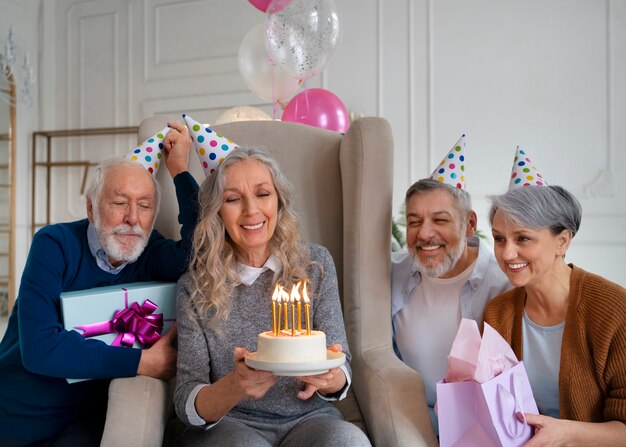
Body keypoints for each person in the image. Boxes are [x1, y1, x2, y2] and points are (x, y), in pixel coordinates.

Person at [0, 121, 199, 446]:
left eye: (145, 206)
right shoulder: (54, 244)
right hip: (17, 413)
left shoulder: (148, 251)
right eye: (120, 203)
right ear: (92, 209)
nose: (133, 218)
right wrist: (142, 362)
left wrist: (180, 171)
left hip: (84, 421)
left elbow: (199, 251)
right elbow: (40, 349)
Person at [174, 146, 370, 446]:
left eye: (262, 193)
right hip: (230, 425)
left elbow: (341, 362)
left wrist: (332, 379)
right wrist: (235, 386)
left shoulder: (315, 265)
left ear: (279, 201)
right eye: (233, 199)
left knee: (348, 442)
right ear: (217, 212)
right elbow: (187, 399)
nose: (251, 210)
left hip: (311, 421)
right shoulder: (195, 287)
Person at [483, 147, 626, 446]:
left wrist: (568, 433)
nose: (507, 254)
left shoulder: (615, 310)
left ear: (562, 241)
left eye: (523, 238)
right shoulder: (498, 313)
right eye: (499, 239)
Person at [391, 135, 511, 434]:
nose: (424, 234)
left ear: (470, 224)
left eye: (440, 220)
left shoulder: (504, 284)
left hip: (481, 426)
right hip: (410, 419)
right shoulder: (390, 271)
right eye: (415, 221)